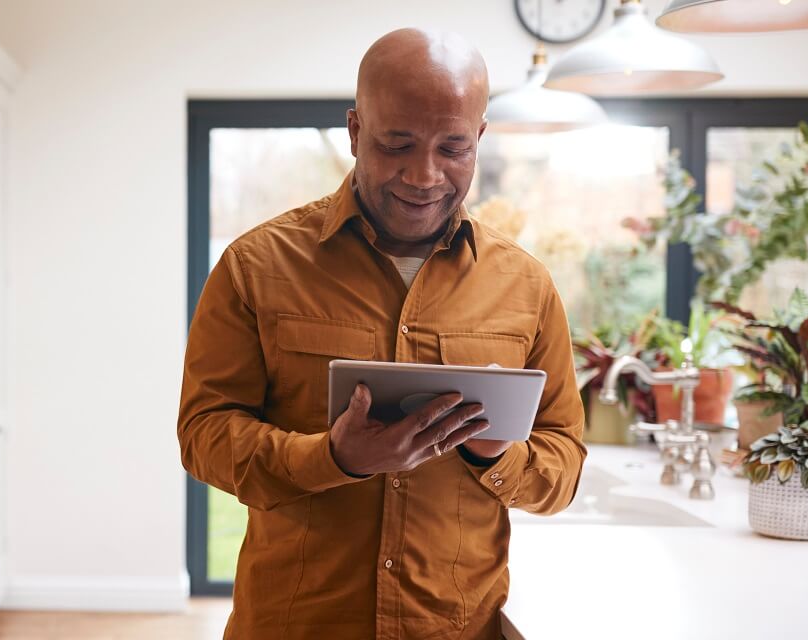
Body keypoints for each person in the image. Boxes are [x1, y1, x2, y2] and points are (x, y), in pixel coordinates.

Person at [178, 28, 586, 639]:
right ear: (354, 131)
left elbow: (564, 468)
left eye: (452, 148)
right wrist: (334, 457)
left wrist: (495, 453)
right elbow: (203, 436)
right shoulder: (255, 266)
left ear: (478, 139)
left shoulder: (526, 287)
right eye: (397, 144)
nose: (424, 176)